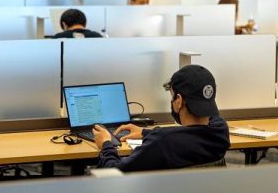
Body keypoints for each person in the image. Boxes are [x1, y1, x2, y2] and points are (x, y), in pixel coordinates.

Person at [93, 64, 230, 172]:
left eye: (172, 95)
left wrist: (106, 144)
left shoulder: (162, 142)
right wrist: (144, 132)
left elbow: (114, 173)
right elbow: (187, 134)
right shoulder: (220, 130)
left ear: (179, 101)